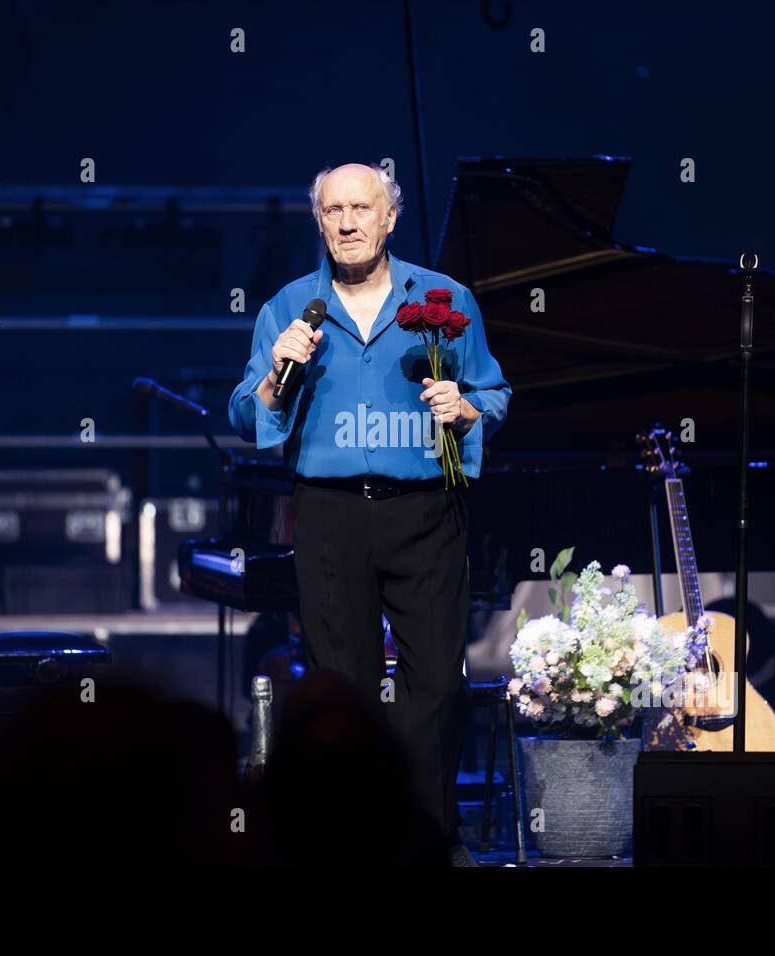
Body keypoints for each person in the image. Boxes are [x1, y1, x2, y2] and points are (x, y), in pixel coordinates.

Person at [228, 163, 510, 863]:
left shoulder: (448, 299)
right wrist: (272, 376)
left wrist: (469, 407)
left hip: (425, 510)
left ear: (390, 218)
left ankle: (424, 836)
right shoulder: (289, 308)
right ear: (318, 221)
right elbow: (242, 415)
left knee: (438, 685)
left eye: (362, 208)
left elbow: (496, 392)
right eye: (333, 210)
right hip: (328, 513)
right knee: (338, 686)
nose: (348, 222)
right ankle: (343, 845)